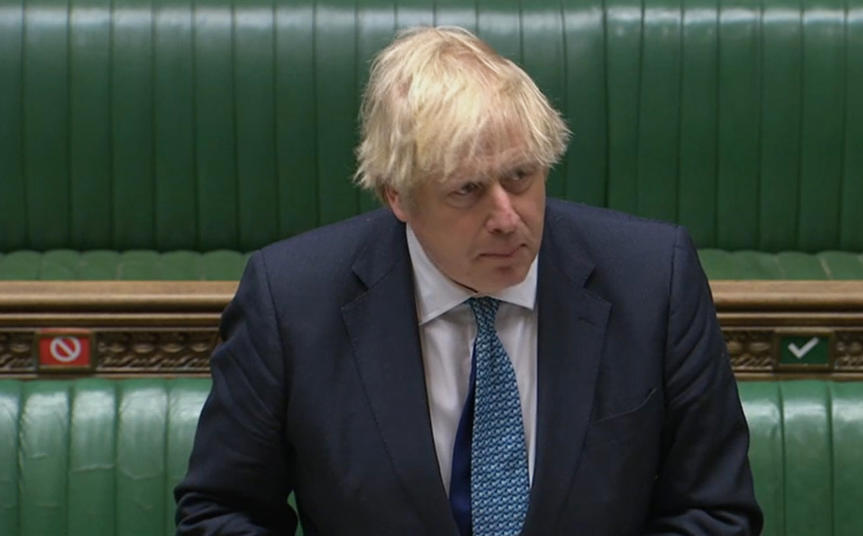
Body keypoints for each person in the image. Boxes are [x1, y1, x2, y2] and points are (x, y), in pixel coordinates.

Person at [175, 26, 762, 535]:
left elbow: (715, 512)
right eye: (467, 190)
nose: (509, 218)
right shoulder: (291, 301)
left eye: (521, 176)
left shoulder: (653, 278)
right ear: (397, 195)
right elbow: (222, 512)